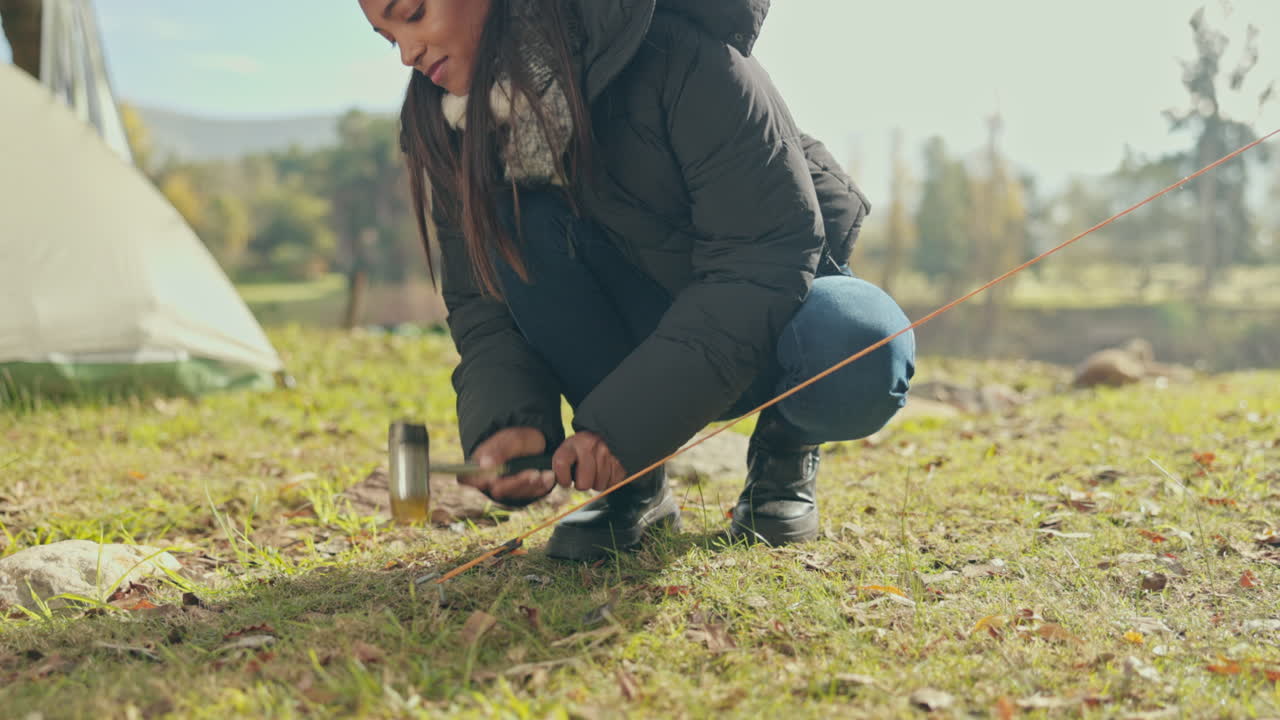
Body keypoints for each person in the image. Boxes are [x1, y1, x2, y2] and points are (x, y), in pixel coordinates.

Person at [358, 0, 916, 561]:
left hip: (769, 319)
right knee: (517, 220)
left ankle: (785, 450)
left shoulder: (683, 55)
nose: (408, 53)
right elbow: (484, 306)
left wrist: (625, 429)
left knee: (861, 344)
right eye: (386, 39)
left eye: (413, 13)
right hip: (642, 342)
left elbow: (760, 263)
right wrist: (513, 423)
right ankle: (636, 488)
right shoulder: (448, 125)